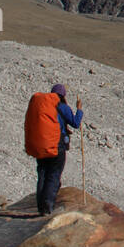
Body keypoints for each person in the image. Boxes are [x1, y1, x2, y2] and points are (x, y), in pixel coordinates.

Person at [35, 83, 83, 215]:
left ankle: (40, 206)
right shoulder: (63, 108)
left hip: (42, 145)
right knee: (54, 175)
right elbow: (75, 123)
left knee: (43, 174)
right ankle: (48, 206)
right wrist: (79, 110)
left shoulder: (43, 107)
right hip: (57, 146)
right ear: (63, 96)